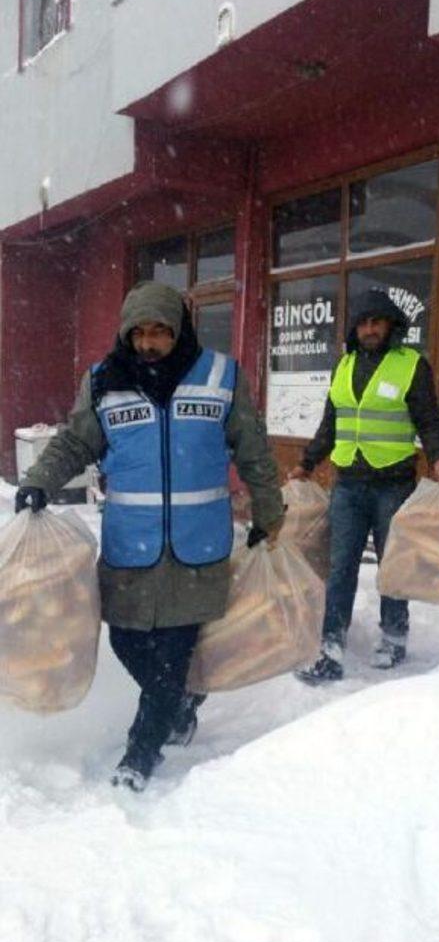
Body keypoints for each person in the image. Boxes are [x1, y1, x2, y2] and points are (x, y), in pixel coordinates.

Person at [16, 281, 284, 790]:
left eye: (159, 332)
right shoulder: (103, 381)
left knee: (171, 655)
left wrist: (269, 511)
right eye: (138, 333)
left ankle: (140, 754)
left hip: (196, 546)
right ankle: (180, 705)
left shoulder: (221, 376)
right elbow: (74, 443)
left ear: (178, 330)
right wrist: (38, 484)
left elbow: (253, 450)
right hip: (130, 544)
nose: (147, 343)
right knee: (127, 641)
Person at [289, 287, 439, 683]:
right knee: (340, 566)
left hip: (392, 484)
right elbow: (331, 422)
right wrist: (307, 462)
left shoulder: (410, 365)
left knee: (392, 565)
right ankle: (330, 645)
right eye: (363, 323)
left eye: (376, 322)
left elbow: (428, 420)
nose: (369, 329)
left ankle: (394, 636)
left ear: (390, 325)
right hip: (347, 483)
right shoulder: (343, 366)